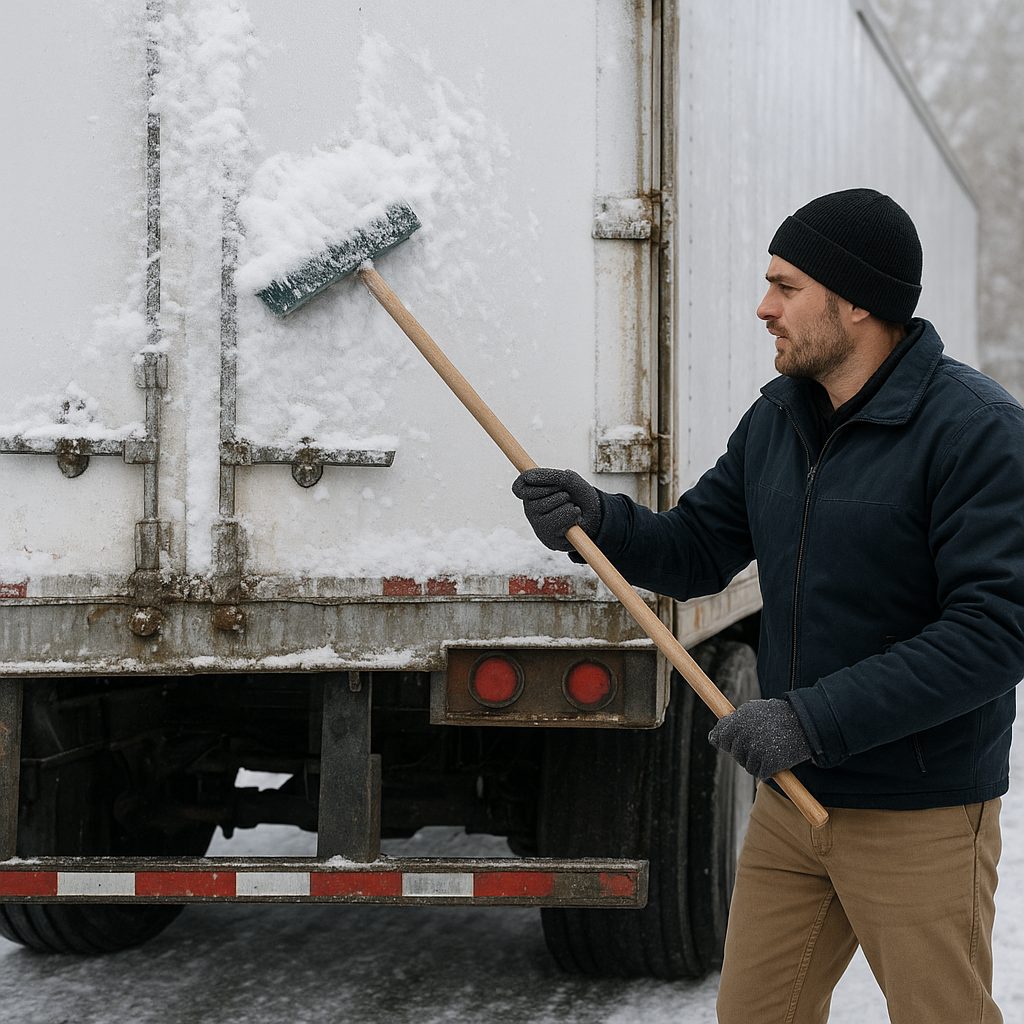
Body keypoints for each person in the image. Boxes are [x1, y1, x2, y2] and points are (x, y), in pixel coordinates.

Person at [513, 188, 1024, 1023]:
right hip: (794, 800)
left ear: (857, 302)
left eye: (786, 286)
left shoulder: (975, 431)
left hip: (918, 811)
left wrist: (812, 718)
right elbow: (698, 549)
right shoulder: (779, 418)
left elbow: (995, 633)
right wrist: (599, 522)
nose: (764, 307)